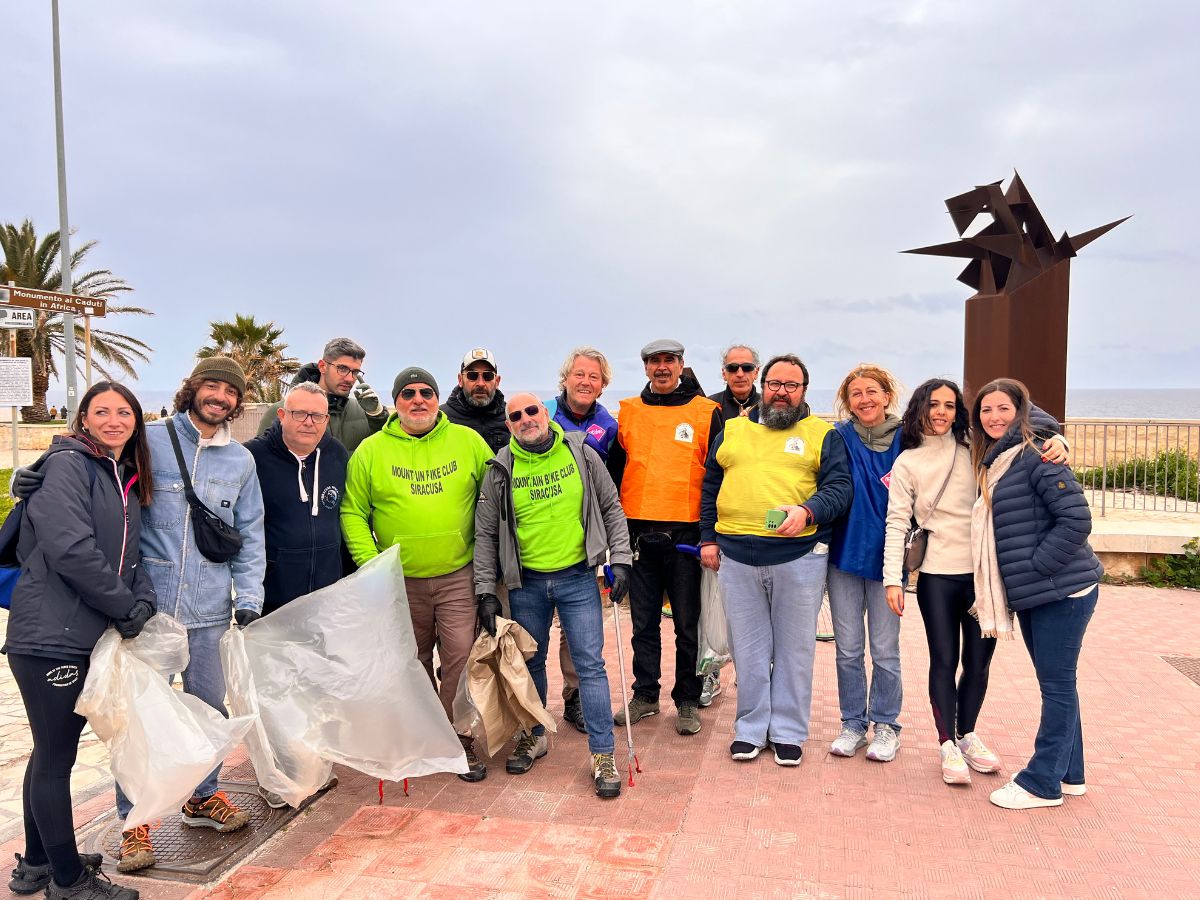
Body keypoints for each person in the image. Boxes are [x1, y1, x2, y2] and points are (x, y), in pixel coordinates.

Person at [3, 382, 154, 900]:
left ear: (136, 420)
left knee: (49, 752)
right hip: (50, 635)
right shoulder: (67, 465)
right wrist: (123, 606)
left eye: (124, 412)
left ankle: (40, 863)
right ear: (83, 419)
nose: (114, 420)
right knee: (54, 756)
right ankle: (68, 883)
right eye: (101, 411)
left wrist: (144, 601)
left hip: (79, 633)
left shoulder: (119, 474)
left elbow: (128, 553)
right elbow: (71, 550)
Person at [122, 358, 266, 869]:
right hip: (149, 611)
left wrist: (249, 600)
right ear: (192, 389)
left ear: (237, 402)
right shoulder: (150, 440)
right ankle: (133, 821)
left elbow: (250, 535)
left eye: (231, 390)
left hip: (209, 610)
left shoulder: (241, 462)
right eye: (212, 385)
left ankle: (201, 796)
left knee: (209, 709)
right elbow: (96, 477)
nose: (220, 396)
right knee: (138, 717)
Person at [473, 393, 632, 797]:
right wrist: (485, 591)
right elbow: (486, 533)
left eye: (532, 411)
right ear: (508, 426)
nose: (526, 419)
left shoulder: (580, 452)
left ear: (546, 413)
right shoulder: (499, 468)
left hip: (578, 576)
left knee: (590, 666)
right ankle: (535, 734)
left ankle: (602, 753)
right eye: (516, 416)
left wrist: (623, 559)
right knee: (531, 662)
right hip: (525, 583)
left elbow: (611, 507)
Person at [340, 367, 493, 780]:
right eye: (408, 393)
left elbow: (493, 497)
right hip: (400, 581)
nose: (418, 399)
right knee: (414, 661)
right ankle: (423, 735)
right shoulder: (371, 451)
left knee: (461, 657)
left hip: (458, 574)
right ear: (396, 402)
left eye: (427, 392)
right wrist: (374, 566)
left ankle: (457, 739)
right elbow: (353, 511)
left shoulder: (468, 441)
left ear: (438, 397)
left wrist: (486, 558)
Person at [699, 355, 852, 765]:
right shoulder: (732, 429)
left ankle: (786, 731)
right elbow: (711, 483)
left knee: (794, 649)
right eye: (775, 383)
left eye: (792, 385)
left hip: (799, 556)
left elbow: (840, 487)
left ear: (804, 391)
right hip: (734, 556)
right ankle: (750, 729)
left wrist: (808, 510)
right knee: (747, 649)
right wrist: (706, 539)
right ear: (762, 385)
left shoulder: (823, 434)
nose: (781, 391)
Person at [970, 379, 1102, 811]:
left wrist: (1036, 567)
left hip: (1060, 591)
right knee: (1060, 683)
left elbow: (1076, 521)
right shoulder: (1001, 458)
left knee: (1057, 686)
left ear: (1021, 410)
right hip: (1041, 592)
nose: (994, 417)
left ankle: (1042, 783)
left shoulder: (1038, 455)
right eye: (986, 410)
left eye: (1004, 408)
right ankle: (1071, 773)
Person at [607, 339, 722, 736]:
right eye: (654, 361)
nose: (661, 367)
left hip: (687, 533)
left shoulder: (707, 412)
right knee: (643, 624)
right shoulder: (628, 412)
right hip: (638, 533)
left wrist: (711, 534)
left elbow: (717, 477)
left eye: (668, 361)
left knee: (688, 623)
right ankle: (645, 695)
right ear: (644, 367)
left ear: (681, 365)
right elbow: (614, 473)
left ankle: (687, 700)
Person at [826, 365, 905, 763]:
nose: (865, 399)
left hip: (889, 564)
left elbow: (965, 430)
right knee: (848, 649)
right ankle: (853, 723)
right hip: (843, 556)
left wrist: (1050, 436)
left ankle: (887, 725)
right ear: (847, 402)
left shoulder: (910, 438)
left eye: (872, 391)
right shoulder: (837, 437)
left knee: (885, 650)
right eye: (855, 394)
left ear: (887, 395)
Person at [543, 346, 619, 733]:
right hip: (537, 539)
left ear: (602, 384)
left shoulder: (608, 425)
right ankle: (529, 714)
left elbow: (613, 484)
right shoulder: (541, 412)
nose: (585, 381)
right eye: (579, 374)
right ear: (566, 378)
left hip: (583, 541)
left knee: (577, 629)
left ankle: (574, 698)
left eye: (594, 376)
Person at [246, 383, 348, 616]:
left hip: (327, 599)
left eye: (317, 416)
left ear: (326, 421)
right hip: (271, 600)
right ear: (282, 415)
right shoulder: (253, 458)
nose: (309, 422)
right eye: (300, 413)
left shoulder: (336, 455)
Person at [699, 343, 763, 707]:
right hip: (717, 517)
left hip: (756, 518)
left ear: (756, 371)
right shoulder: (709, 408)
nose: (740, 373)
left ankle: (752, 673)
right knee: (712, 603)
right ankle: (709, 673)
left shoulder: (771, 409)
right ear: (723, 372)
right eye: (732, 367)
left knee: (754, 603)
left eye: (747, 367)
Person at [257, 337, 387, 452]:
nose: (349, 378)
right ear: (322, 366)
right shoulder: (281, 411)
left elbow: (388, 449)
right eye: (342, 369)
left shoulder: (365, 412)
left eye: (355, 372)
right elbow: (261, 462)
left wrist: (378, 415)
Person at [442, 348, 509, 453]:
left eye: (488, 376)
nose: (481, 383)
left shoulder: (513, 417)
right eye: (472, 375)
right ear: (460, 379)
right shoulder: (441, 418)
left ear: (497, 381)